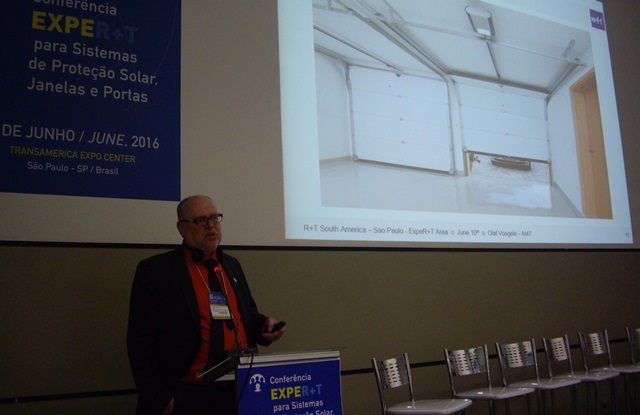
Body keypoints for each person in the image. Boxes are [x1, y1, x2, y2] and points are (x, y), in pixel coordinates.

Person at [127, 195, 286, 415]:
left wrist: (263, 326)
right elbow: (139, 341)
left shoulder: (231, 265)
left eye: (214, 218)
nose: (211, 226)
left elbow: (246, 314)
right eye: (201, 220)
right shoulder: (156, 271)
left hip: (236, 390)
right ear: (181, 228)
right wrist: (161, 400)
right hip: (185, 395)